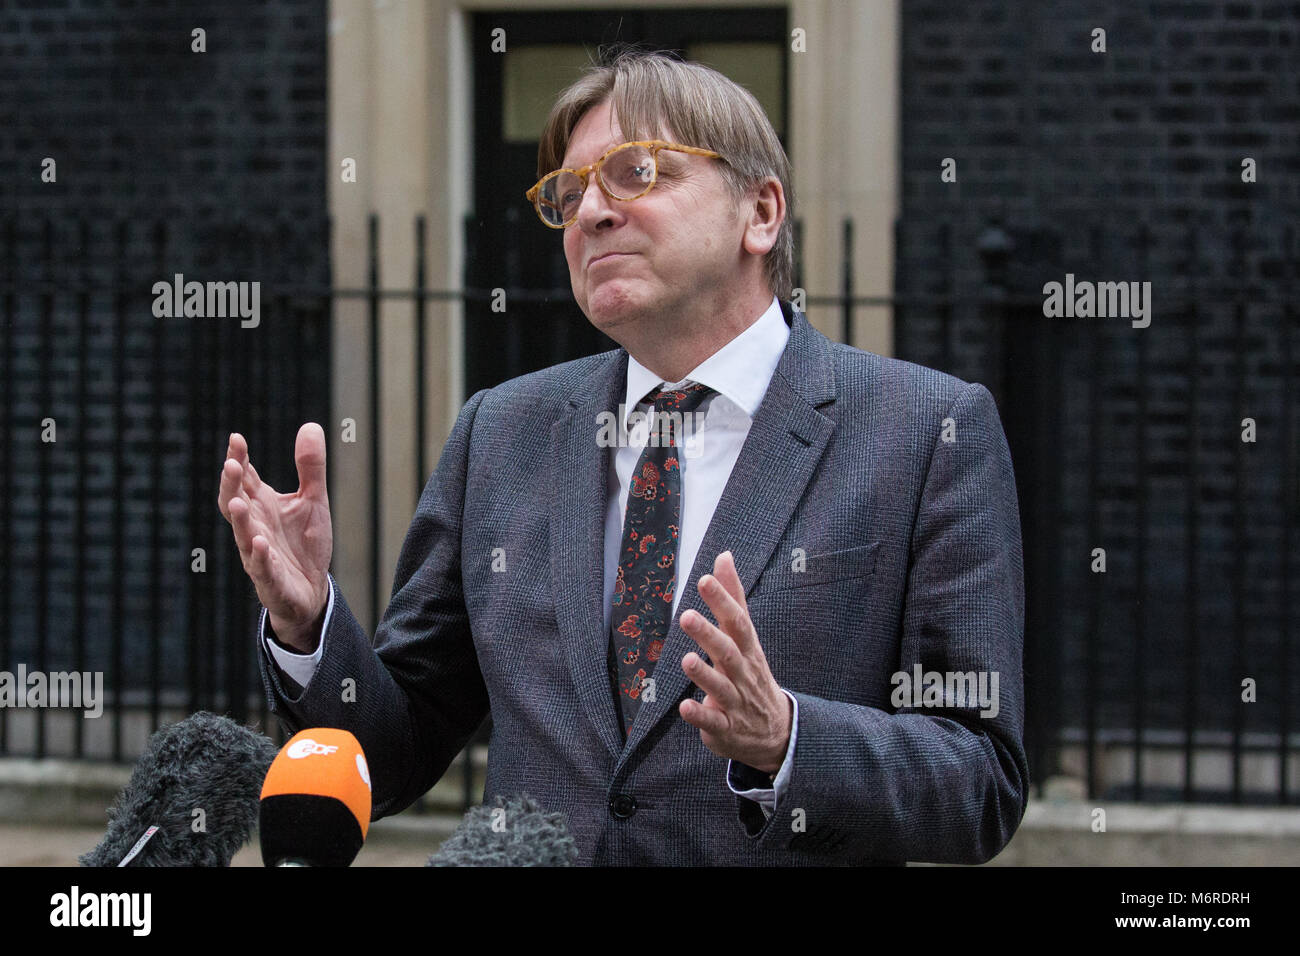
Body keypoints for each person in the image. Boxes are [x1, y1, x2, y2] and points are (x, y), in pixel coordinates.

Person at [217, 50, 1028, 865]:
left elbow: (981, 781)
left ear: (762, 212)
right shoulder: (500, 431)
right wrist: (309, 623)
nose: (592, 212)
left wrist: (786, 738)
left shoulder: (926, 431)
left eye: (636, 173)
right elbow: (396, 751)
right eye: (569, 194)